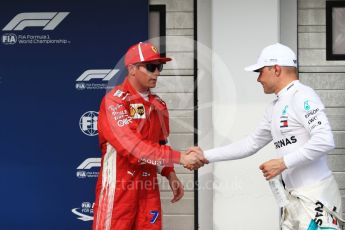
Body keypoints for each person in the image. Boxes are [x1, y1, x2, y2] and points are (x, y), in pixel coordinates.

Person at [191, 43, 344, 229]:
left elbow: (324, 141)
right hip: (293, 200)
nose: (258, 79)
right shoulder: (274, 107)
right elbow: (250, 144)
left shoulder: (302, 95)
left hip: (316, 198)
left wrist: (283, 163)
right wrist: (204, 155)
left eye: (260, 71)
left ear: (276, 69)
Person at [92, 42, 207, 230]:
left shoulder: (158, 104)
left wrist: (170, 174)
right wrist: (180, 157)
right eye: (151, 67)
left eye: (159, 67)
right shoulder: (114, 101)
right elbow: (132, 147)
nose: (157, 73)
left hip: (148, 189)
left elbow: (160, 142)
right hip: (119, 189)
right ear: (132, 69)